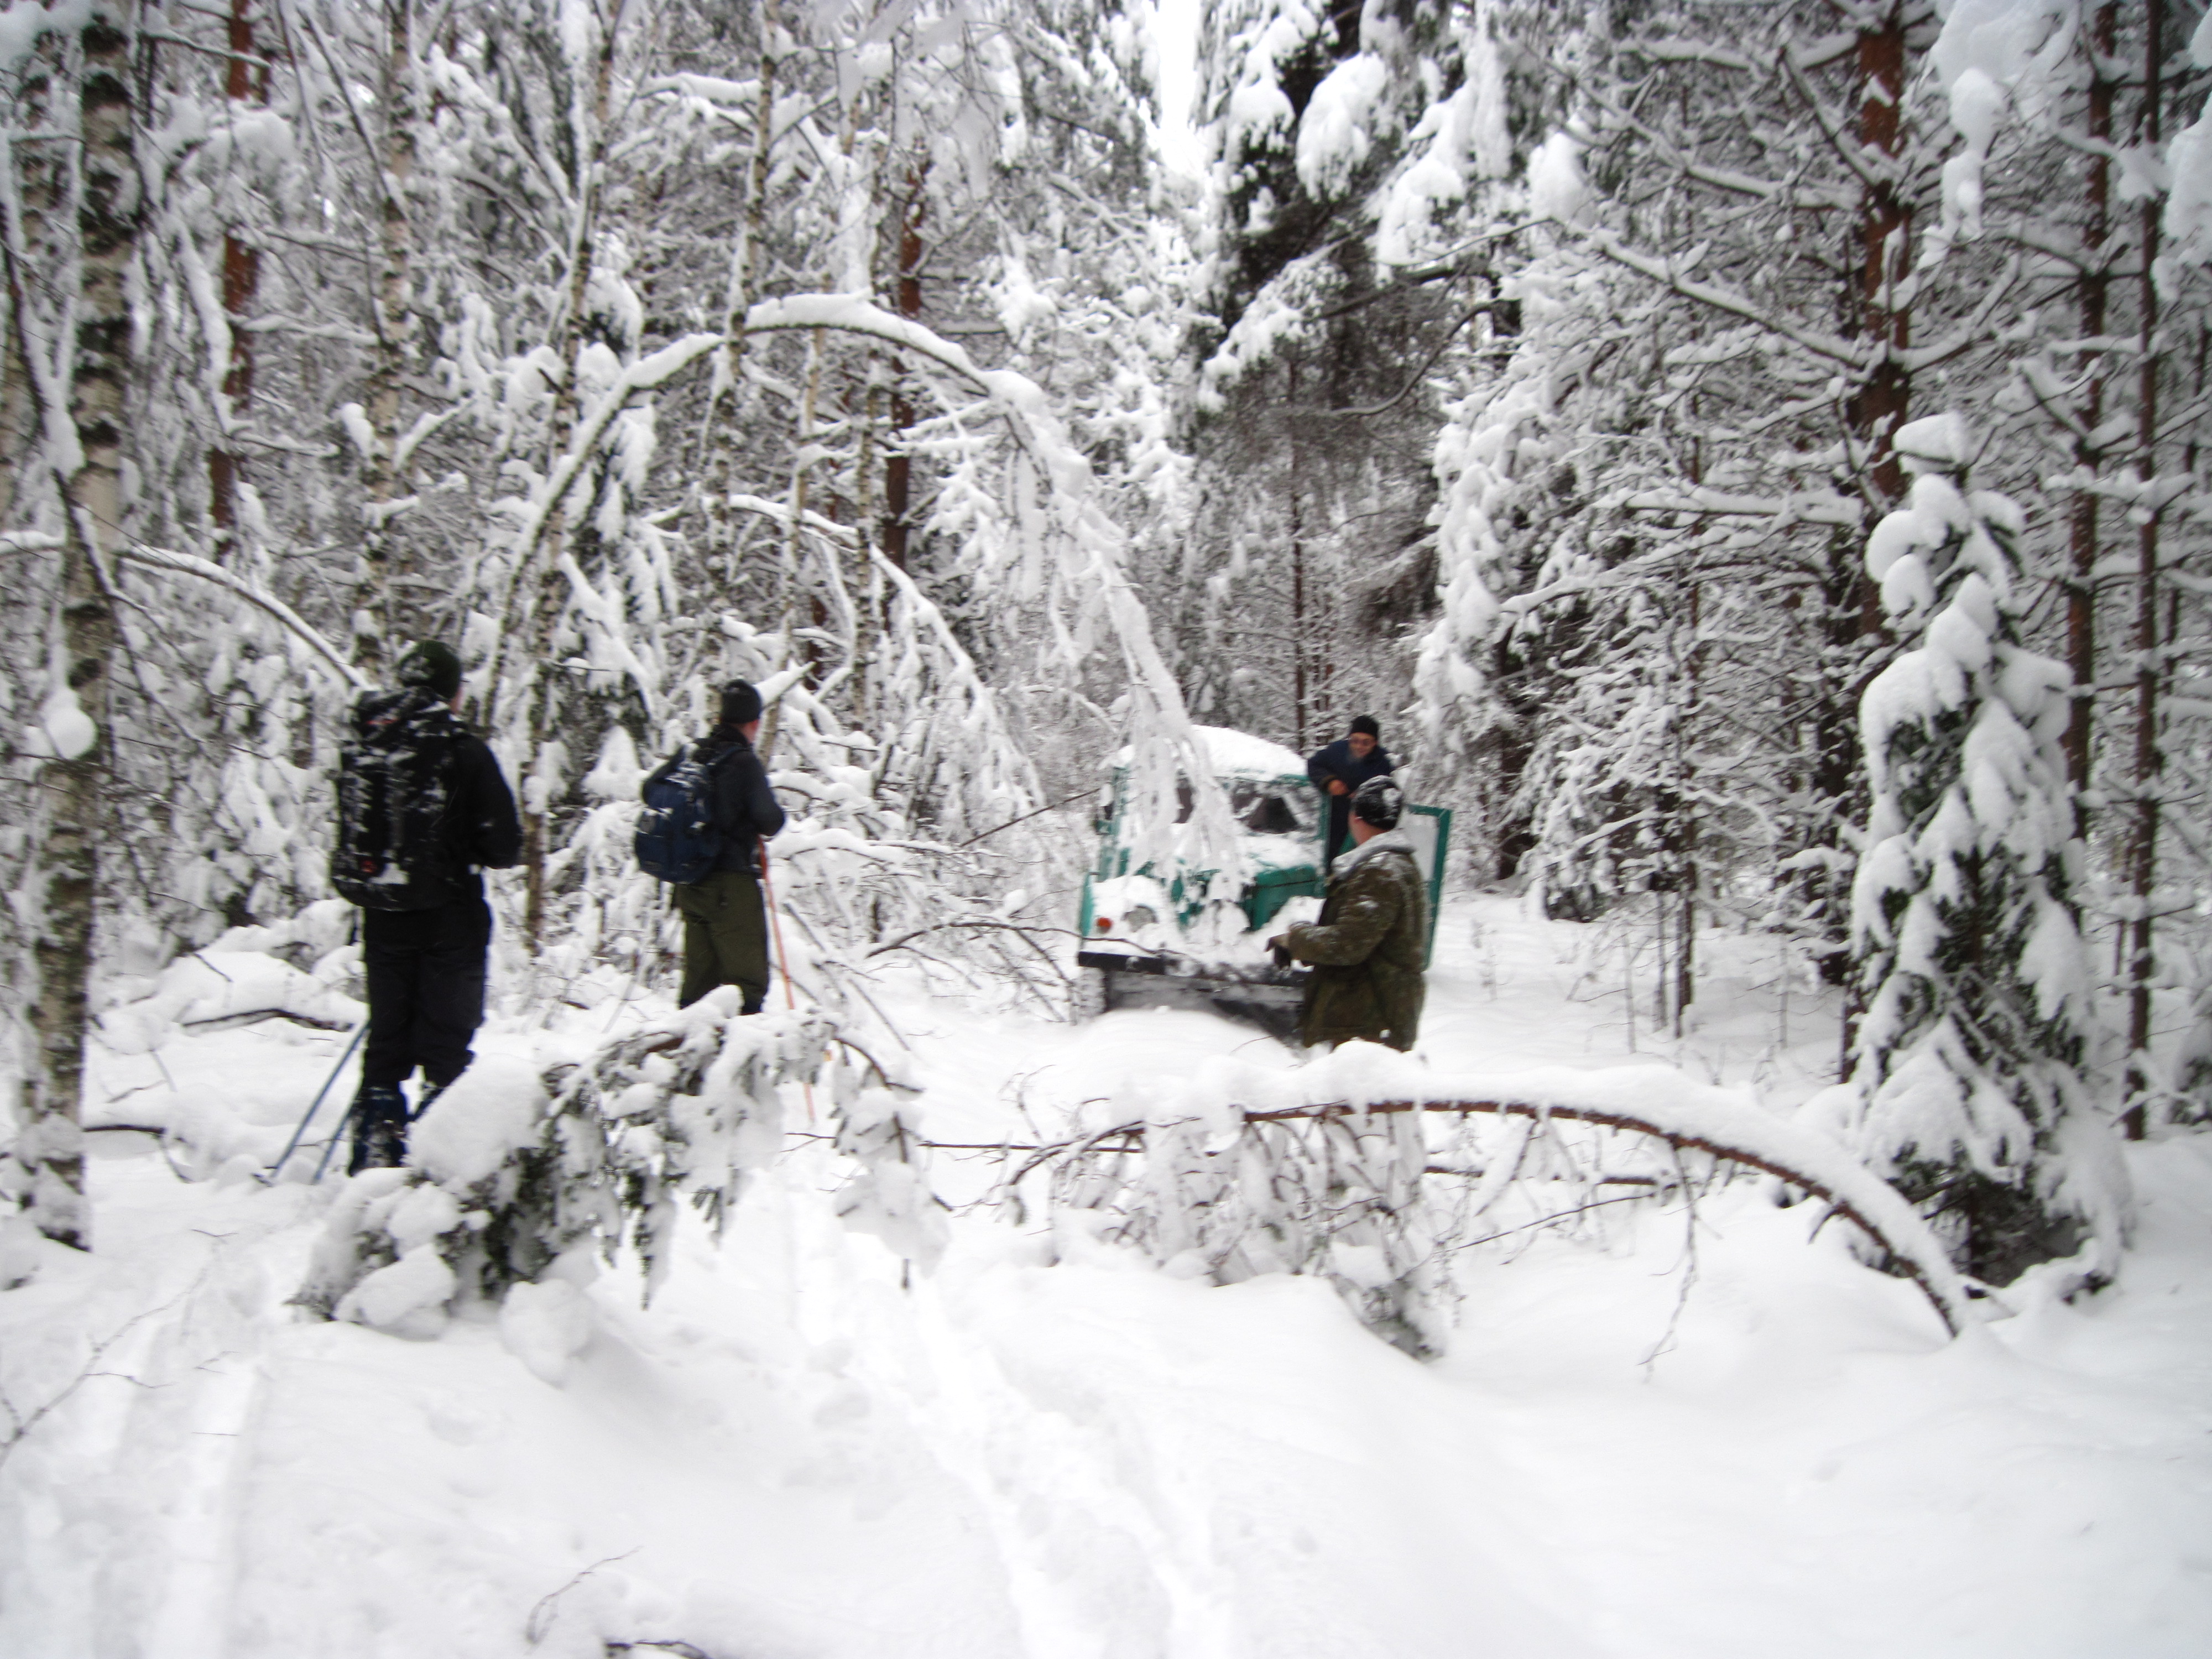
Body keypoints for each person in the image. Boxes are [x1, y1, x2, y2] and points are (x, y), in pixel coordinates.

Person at [336, 640, 522, 1172]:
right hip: (451, 918)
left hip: (384, 914)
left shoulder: (372, 745)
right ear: (454, 693)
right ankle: (439, 1172)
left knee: (387, 1043)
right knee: (446, 1048)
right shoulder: (462, 750)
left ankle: (374, 1156)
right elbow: (505, 846)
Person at [644, 679, 786, 1011]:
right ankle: (742, 1043)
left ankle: (688, 1041)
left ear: (720, 718)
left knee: (699, 985)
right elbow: (772, 821)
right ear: (754, 723)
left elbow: (650, 790)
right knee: (746, 986)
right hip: (731, 886)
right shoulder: (743, 763)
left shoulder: (693, 754)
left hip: (691, 884)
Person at [1267, 776, 1427, 1051]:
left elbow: (1347, 944)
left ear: (1356, 818)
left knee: (1356, 1081)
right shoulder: (1395, 864)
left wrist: (1296, 939)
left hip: (1369, 1019)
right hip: (1377, 1013)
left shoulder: (1380, 871)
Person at [1306, 714, 1395, 868]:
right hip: (1334, 817)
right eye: (1355, 741)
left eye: (1366, 742)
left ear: (1375, 742)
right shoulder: (1337, 751)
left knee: (1357, 864)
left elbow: (1388, 794)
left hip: (1363, 824)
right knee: (1330, 861)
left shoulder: (1383, 763)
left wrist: (1365, 799)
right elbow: (1313, 765)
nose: (1359, 746)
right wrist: (1329, 781)